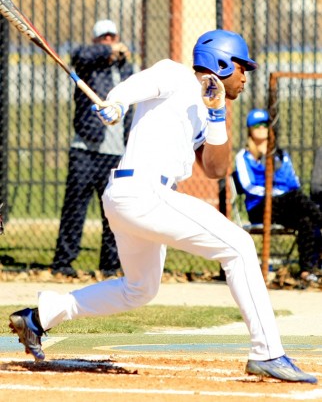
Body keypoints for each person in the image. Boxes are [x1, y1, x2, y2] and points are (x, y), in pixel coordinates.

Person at [9, 30, 317, 383]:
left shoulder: (206, 108)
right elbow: (135, 86)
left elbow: (217, 170)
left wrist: (216, 116)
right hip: (142, 190)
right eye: (241, 67)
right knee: (240, 246)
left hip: (135, 198)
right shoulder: (175, 74)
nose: (245, 77)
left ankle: (39, 317)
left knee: (140, 289)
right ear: (220, 62)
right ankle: (268, 352)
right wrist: (116, 103)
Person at [51, 19, 134, 278]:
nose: (109, 41)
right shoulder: (87, 65)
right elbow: (77, 54)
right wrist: (107, 52)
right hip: (85, 149)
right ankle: (63, 263)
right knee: (75, 208)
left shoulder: (127, 70)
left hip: (115, 153)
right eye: (104, 38)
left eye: (113, 37)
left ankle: (110, 266)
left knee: (114, 211)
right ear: (97, 41)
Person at [235, 108, 322, 283]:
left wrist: (275, 165)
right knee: (296, 198)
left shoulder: (281, 155)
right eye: (256, 125)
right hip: (259, 206)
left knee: (305, 220)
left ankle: (306, 271)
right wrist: (273, 192)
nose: (261, 128)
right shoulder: (244, 157)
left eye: (265, 125)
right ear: (249, 129)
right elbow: (248, 186)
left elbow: (293, 181)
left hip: (285, 204)